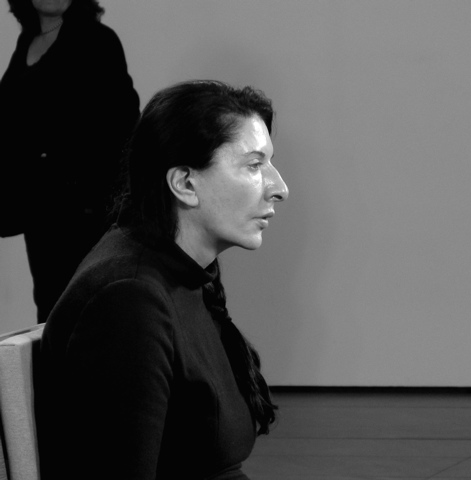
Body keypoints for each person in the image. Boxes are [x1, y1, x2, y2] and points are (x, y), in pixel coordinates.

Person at [38, 80, 289, 480]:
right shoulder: (129, 299)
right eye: (254, 165)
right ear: (185, 183)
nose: (280, 188)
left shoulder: (177, 272)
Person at [0, 0, 140, 323]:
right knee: (51, 312)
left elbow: (124, 128)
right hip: (42, 215)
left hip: (87, 216)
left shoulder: (98, 40)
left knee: (90, 314)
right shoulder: (27, 43)